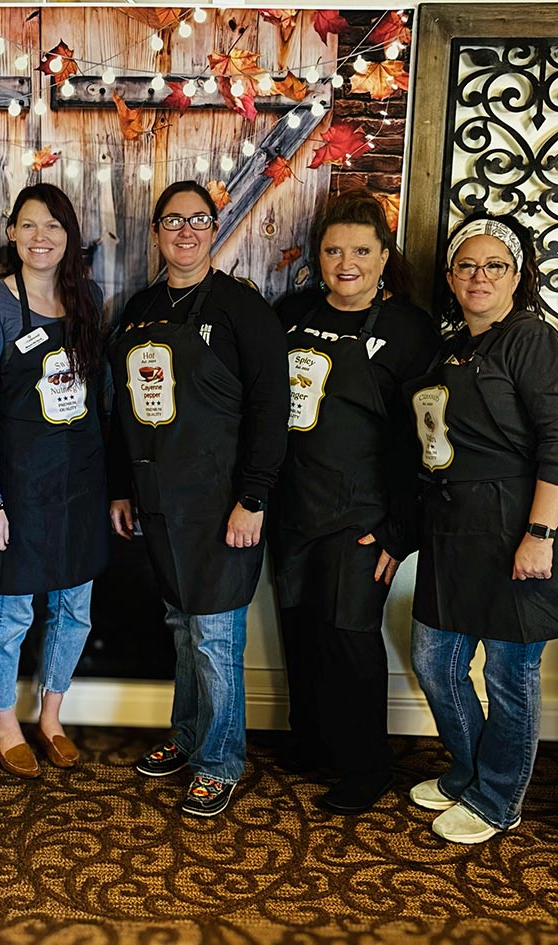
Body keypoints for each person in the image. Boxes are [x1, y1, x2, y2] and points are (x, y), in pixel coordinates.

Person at [108, 180, 289, 818]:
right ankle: (187, 737)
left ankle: (219, 760)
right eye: (172, 221)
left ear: (215, 230)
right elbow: (120, 409)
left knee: (214, 635)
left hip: (222, 503)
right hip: (157, 499)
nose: (185, 231)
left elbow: (273, 410)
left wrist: (255, 498)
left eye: (198, 221)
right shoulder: (137, 308)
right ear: (156, 232)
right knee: (183, 629)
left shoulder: (244, 308)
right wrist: (121, 489)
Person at [270, 190, 440, 814]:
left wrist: (400, 531)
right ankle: (311, 740)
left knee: (349, 636)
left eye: (362, 251)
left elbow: (429, 437)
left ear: (383, 256)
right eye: (334, 249)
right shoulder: (289, 313)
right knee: (300, 628)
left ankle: (366, 767)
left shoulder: (408, 329)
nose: (347, 262)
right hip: (293, 508)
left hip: (362, 516)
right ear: (318, 255)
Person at [408, 211, 558, 843]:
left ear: (515, 276)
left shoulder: (530, 338)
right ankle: (469, 771)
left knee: (508, 674)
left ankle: (499, 800)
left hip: (513, 525)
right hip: (451, 526)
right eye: (467, 264)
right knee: (434, 659)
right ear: (450, 275)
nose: (479, 275)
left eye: (494, 265)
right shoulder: (451, 347)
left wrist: (542, 534)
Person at [0, 183, 108, 779]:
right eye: (28, 225)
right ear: (11, 234)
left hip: (80, 480)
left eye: (52, 226)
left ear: (69, 235)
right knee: (13, 610)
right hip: (18, 486)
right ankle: (3, 722)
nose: (40, 237)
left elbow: (97, 400)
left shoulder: (89, 298)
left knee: (75, 609)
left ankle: (51, 716)